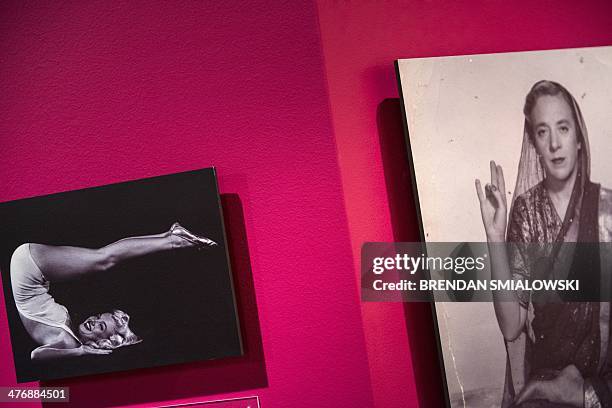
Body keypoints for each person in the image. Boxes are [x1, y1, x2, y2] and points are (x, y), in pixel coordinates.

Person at [475, 80, 612, 407]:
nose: (554, 143)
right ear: (534, 144)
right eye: (542, 132)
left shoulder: (607, 210)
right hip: (545, 384)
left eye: (563, 128)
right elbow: (512, 327)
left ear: (578, 138)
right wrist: (495, 238)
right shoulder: (526, 210)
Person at [10, 222, 217, 361]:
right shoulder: (71, 335)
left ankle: (173, 238)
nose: (93, 320)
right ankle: (170, 236)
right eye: (100, 318)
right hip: (34, 271)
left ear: (102, 343)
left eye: (100, 327)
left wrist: (80, 352)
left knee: (104, 259)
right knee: (103, 259)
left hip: (30, 267)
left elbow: (36, 355)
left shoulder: (68, 342)